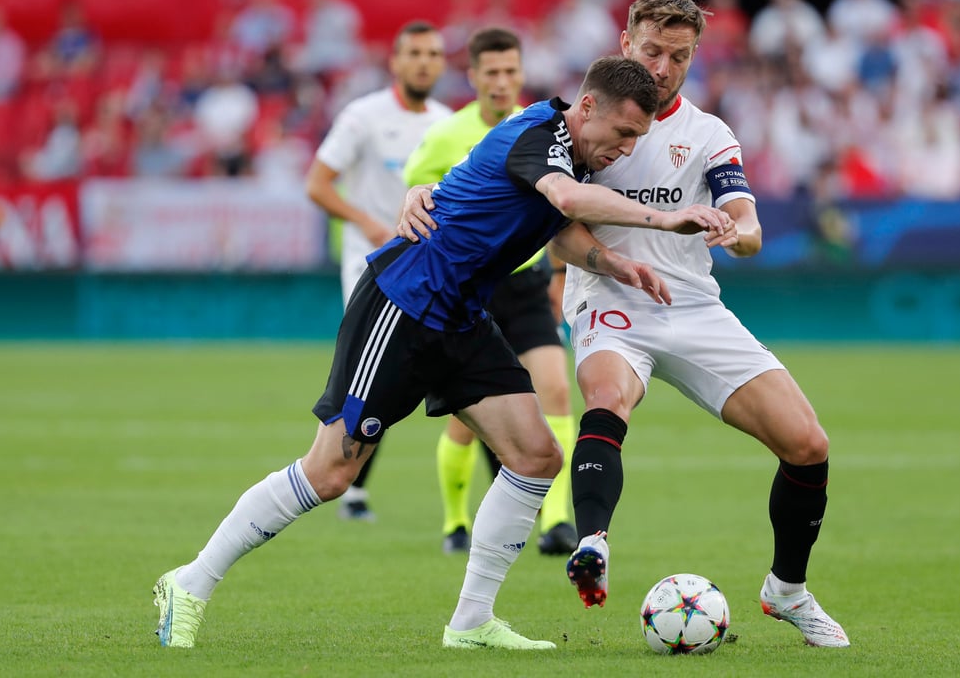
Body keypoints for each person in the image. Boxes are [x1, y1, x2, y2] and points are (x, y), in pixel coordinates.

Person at [152, 55, 732, 652]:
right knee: (331, 472)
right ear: (587, 107)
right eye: (625, 133)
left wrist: (613, 263)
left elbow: (555, 223)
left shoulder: (575, 154)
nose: (628, 148)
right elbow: (563, 198)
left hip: (460, 318)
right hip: (405, 303)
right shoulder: (539, 135)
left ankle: (472, 621)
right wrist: (667, 220)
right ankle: (189, 584)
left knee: (536, 456)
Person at [403, 0, 851, 648]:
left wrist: (741, 235)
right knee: (607, 398)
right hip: (607, 297)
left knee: (808, 444)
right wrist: (421, 192)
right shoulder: (585, 121)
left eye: (680, 57)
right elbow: (545, 219)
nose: (664, 68)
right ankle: (593, 542)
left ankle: (787, 590)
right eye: (652, 52)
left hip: (691, 304)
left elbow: (745, 217)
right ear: (625, 43)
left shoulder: (708, 134)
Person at [400, 27, 578, 556]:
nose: (502, 82)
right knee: (468, 422)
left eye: (511, 71)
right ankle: (456, 521)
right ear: (474, 76)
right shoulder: (445, 137)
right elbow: (415, 199)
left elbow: (560, 211)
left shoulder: (544, 130)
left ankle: (556, 521)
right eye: (492, 72)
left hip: (525, 287)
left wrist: (559, 276)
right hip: (471, 291)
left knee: (557, 390)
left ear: (521, 74)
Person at [305, 20, 451, 521]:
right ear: (395, 61)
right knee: (373, 371)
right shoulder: (363, 117)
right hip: (370, 267)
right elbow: (318, 183)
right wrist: (367, 223)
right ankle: (346, 482)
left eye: (433, 54)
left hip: (428, 269)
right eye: (415, 53)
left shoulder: (447, 124)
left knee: (416, 371)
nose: (424, 63)